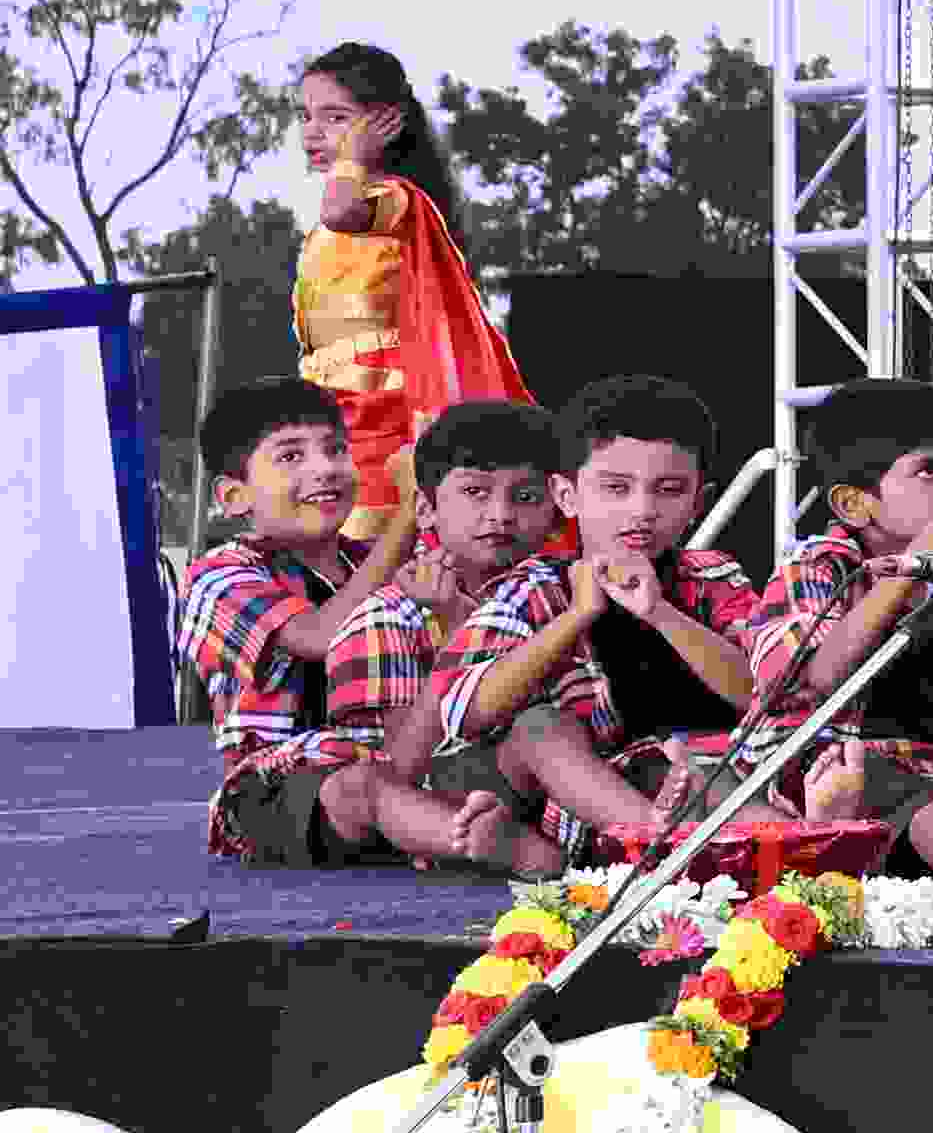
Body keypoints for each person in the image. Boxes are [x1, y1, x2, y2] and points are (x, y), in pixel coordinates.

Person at [172, 375, 504, 870]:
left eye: (336, 449)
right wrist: (409, 510)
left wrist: (450, 606)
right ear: (234, 495)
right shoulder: (218, 575)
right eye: (291, 456)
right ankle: (490, 844)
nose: (325, 468)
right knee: (362, 787)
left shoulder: (376, 560)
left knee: (525, 740)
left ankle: (577, 839)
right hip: (286, 788)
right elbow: (318, 636)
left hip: (408, 763)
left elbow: (472, 656)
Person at [429, 373, 765, 855]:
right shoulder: (537, 587)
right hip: (560, 799)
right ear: (566, 497)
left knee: (721, 779)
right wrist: (579, 614)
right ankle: (656, 849)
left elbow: (763, 692)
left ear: (698, 502)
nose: (642, 510)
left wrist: (660, 613)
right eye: (616, 488)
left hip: (675, 778)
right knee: (541, 725)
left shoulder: (714, 576)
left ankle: (757, 849)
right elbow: (462, 711)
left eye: (669, 490)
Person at [751, 381, 933, 895]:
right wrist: (907, 572)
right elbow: (813, 677)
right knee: (881, 784)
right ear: (854, 503)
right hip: (839, 764)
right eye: (930, 471)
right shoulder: (817, 565)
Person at [314, 404, 579, 877]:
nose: (500, 514)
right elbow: (405, 766)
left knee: (547, 728)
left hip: (538, 774)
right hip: (430, 796)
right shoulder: (386, 616)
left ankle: (642, 840)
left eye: (525, 496)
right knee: (363, 786)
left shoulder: (567, 589)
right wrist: (456, 626)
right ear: (425, 509)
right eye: (475, 492)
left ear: (557, 507)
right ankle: (519, 850)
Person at [285, 43, 526, 543]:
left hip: (384, 410)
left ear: (387, 124)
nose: (312, 131)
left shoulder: (394, 199)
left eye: (335, 117)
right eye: (305, 116)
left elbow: (341, 210)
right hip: (330, 409)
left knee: (375, 537)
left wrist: (353, 158)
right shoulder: (322, 230)